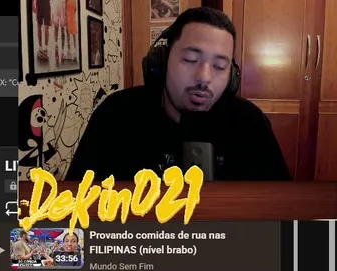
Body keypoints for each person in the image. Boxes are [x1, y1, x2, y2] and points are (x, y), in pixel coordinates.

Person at [66, 7, 291, 181]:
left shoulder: (250, 123)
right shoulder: (115, 115)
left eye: (220, 66)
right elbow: (74, 208)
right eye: (190, 60)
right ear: (161, 62)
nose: (204, 77)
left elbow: (283, 210)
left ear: (231, 77)